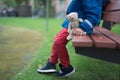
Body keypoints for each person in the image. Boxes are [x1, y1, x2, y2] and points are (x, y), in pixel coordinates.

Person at [37, 0, 110, 77]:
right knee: (58, 39)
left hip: (79, 26)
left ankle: (66, 67)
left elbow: (94, 16)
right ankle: (52, 63)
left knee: (58, 41)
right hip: (73, 24)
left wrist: (82, 28)